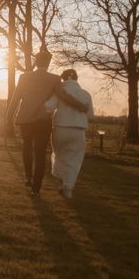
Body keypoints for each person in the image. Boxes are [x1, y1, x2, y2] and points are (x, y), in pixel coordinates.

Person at [6, 46, 88, 197]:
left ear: (36, 62)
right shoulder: (54, 79)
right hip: (43, 121)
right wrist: (81, 106)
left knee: (26, 147)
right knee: (40, 152)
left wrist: (8, 117)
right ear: (48, 63)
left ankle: (28, 177)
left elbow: (15, 98)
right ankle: (36, 189)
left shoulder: (24, 77)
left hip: (25, 119)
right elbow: (64, 97)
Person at [44, 69, 94, 198]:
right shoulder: (86, 94)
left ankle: (62, 182)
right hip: (78, 130)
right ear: (76, 79)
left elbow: (48, 107)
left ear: (63, 79)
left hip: (60, 129)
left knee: (59, 156)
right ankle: (68, 187)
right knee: (74, 160)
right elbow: (90, 114)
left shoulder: (60, 93)